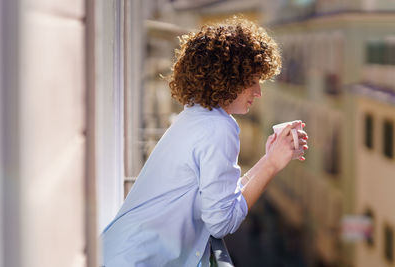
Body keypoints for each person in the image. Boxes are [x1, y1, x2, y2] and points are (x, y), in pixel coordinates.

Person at [100, 17, 309, 267]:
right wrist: (272, 165)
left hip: (120, 255)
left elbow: (221, 197)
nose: (258, 92)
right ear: (230, 78)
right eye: (252, 81)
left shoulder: (197, 115)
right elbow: (221, 222)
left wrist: (269, 157)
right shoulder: (218, 127)